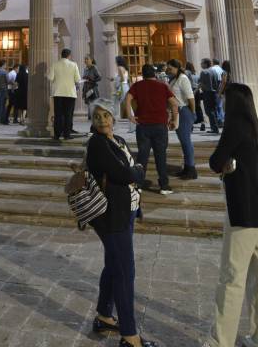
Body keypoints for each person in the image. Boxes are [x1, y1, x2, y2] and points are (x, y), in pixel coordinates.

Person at [203, 81, 258, 347]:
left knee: (231, 277)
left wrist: (224, 163)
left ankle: (219, 342)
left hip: (244, 208)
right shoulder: (252, 127)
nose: (222, 104)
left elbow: (215, 161)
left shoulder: (235, 126)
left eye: (225, 99)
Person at [83, 100, 155, 347]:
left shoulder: (120, 141)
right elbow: (128, 173)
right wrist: (136, 170)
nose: (102, 120)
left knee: (114, 264)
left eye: (106, 115)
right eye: (97, 117)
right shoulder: (96, 144)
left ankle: (104, 315)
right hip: (109, 215)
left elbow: (131, 173)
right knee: (125, 271)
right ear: (92, 122)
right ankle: (129, 334)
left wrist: (134, 175)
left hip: (127, 211)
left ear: (114, 117)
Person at [126, 64, 179, 194]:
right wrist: (173, 118)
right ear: (154, 74)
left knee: (142, 156)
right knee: (160, 156)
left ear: (143, 74)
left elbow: (127, 100)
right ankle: (164, 186)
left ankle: (138, 184)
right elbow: (174, 103)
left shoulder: (137, 86)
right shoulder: (162, 86)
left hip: (143, 126)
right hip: (160, 125)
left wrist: (130, 116)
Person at [165, 59, 197, 179]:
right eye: (168, 68)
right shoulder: (174, 79)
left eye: (170, 68)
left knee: (186, 141)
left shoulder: (183, 78)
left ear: (177, 68)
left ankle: (191, 169)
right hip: (177, 112)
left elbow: (190, 97)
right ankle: (187, 168)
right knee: (183, 141)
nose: (168, 70)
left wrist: (193, 113)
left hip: (184, 111)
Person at [50, 48, 81, 140]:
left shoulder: (55, 64)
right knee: (68, 115)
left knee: (58, 114)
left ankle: (57, 135)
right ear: (69, 56)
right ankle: (67, 135)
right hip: (70, 93)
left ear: (61, 55)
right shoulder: (74, 65)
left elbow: (50, 78)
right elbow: (77, 79)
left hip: (58, 93)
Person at [197, 58, 221, 134]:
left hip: (207, 93)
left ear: (205, 64)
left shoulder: (204, 72)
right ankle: (215, 127)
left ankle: (214, 128)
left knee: (209, 111)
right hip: (214, 93)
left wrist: (197, 90)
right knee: (213, 110)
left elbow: (201, 84)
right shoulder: (213, 71)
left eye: (202, 63)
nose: (201, 64)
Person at [82, 56, 102, 133]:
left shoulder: (94, 68)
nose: (86, 61)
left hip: (93, 89)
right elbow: (85, 78)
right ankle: (93, 125)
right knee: (90, 106)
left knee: (94, 106)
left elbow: (99, 77)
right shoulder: (85, 69)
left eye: (87, 59)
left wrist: (92, 80)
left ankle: (95, 125)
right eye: (85, 59)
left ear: (91, 60)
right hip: (87, 88)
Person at [113, 56, 132, 131]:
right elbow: (126, 79)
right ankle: (132, 125)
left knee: (115, 105)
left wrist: (116, 80)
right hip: (125, 87)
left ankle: (114, 124)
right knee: (128, 105)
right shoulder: (125, 68)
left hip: (121, 88)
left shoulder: (119, 68)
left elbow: (122, 79)